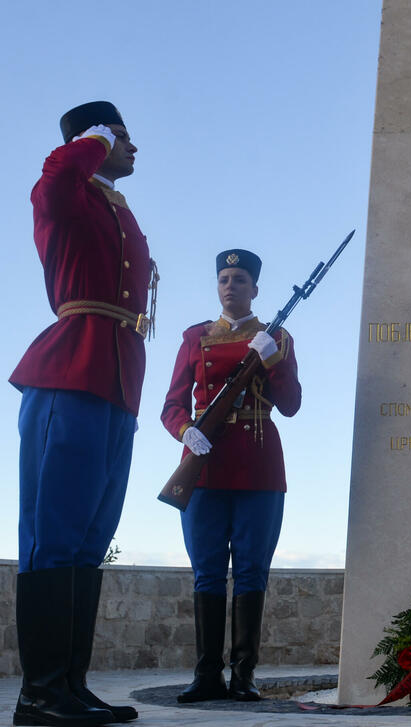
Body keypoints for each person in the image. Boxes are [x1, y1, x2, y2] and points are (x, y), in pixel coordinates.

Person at [10, 101, 156, 726]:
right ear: (90, 140)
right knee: (55, 535)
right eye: (121, 137)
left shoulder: (117, 210)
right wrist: (94, 139)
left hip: (118, 383)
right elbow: (55, 182)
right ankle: (39, 695)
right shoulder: (64, 192)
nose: (132, 147)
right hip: (70, 373)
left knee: (91, 539)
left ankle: (70, 686)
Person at [161, 250, 301, 703]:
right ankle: (206, 675)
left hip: (258, 464)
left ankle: (243, 676)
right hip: (204, 464)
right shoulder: (194, 337)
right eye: (224, 278)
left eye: (240, 279)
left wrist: (273, 358)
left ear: (255, 289)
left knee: (250, 570)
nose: (230, 285)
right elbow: (173, 405)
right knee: (206, 571)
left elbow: (292, 404)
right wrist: (186, 431)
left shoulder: (275, 335)